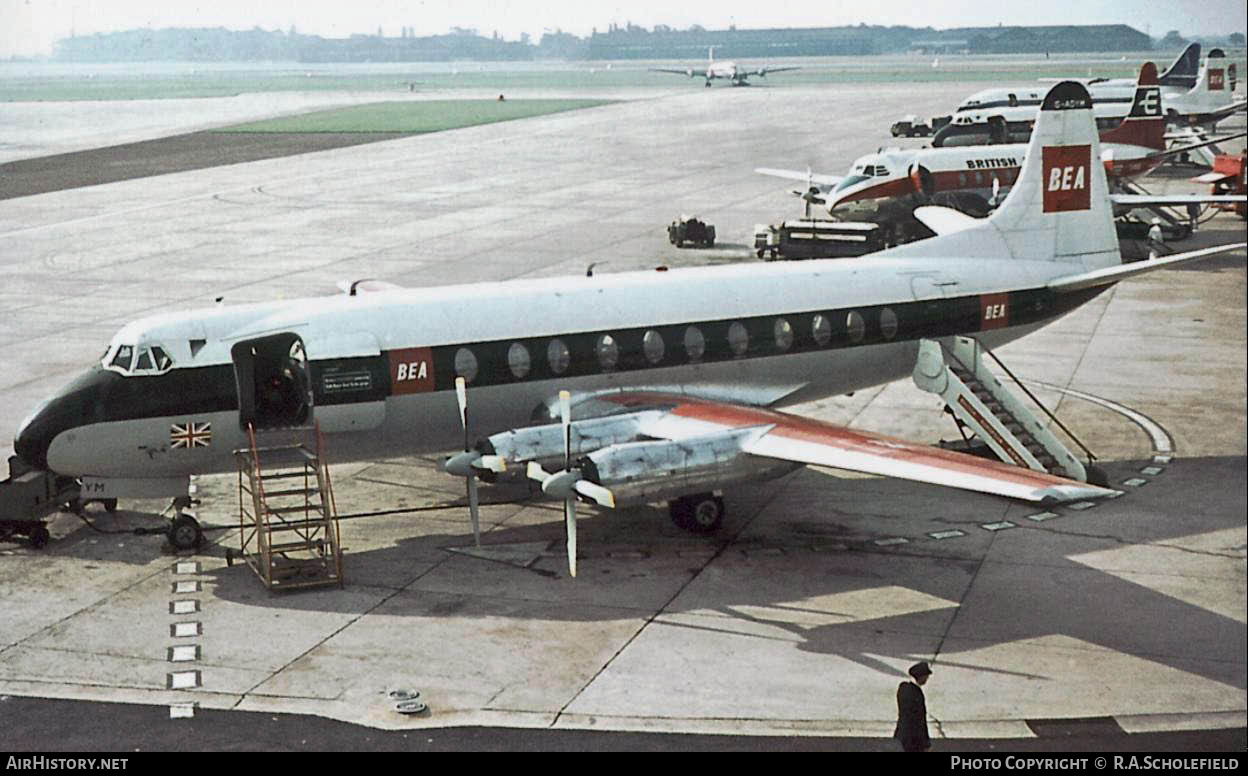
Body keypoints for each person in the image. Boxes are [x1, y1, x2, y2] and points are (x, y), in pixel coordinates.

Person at [894, 661, 932, 752]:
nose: (927, 678)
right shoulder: (916, 694)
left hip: (902, 735)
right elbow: (919, 720)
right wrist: (925, 743)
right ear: (921, 676)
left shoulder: (903, 688)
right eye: (926, 676)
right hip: (914, 739)